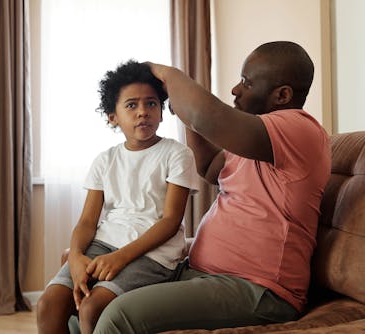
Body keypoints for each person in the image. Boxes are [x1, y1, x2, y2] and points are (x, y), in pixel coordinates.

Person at [92, 41, 332, 333]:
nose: (235, 90)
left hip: (260, 290)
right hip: (202, 274)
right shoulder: (257, 138)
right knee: (83, 308)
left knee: (119, 317)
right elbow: (208, 168)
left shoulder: (298, 129)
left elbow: (209, 117)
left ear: (282, 95)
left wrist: (165, 74)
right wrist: (182, 112)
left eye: (246, 82)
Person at [36, 60, 200, 334]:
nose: (142, 112)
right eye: (131, 105)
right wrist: (76, 256)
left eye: (151, 104)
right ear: (113, 117)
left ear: (161, 112)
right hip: (104, 244)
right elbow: (88, 221)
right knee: (47, 305)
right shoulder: (105, 160)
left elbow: (171, 221)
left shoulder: (177, 154)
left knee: (92, 307)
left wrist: (120, 258)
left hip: (152, 253)